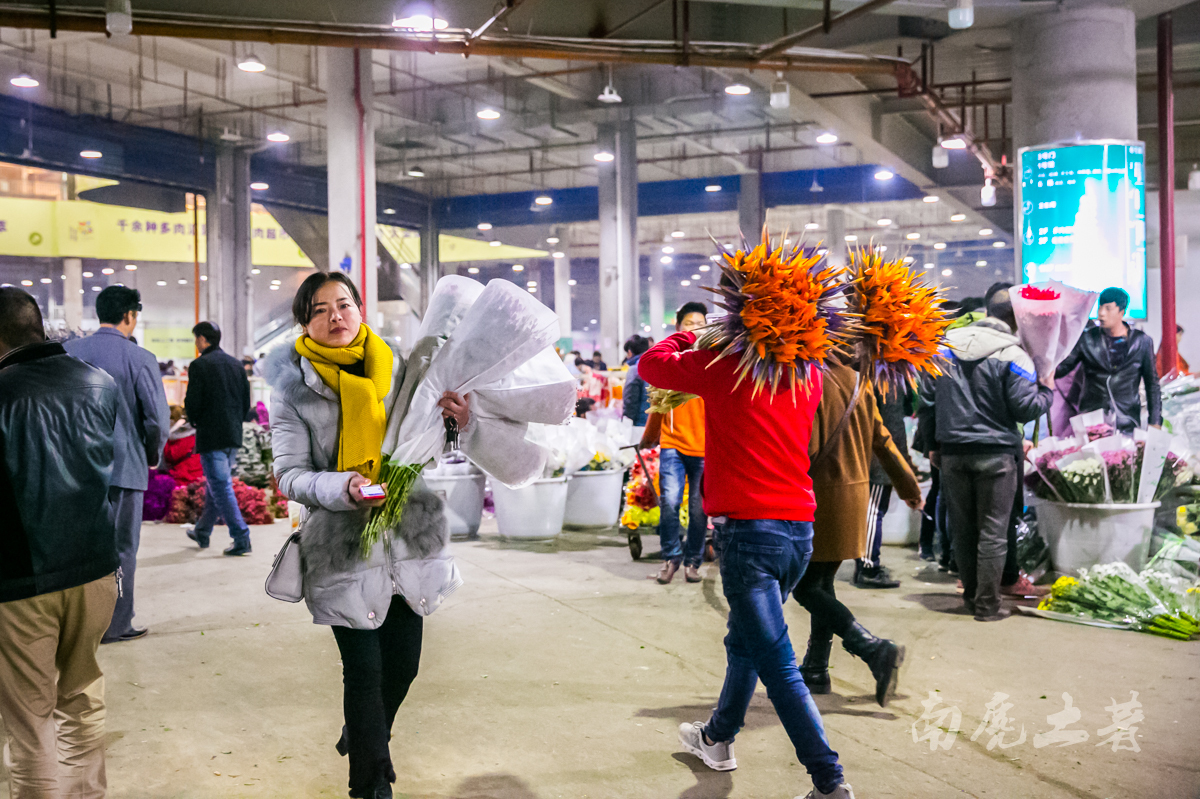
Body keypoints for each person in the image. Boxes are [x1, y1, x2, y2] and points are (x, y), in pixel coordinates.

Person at [266, 271, 469, 799]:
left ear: (360, 309)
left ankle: (364, 734)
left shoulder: (400, 369)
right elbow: (288, 474)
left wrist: (456, 423)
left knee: (404, 666)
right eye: (319, 309)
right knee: (363, 672)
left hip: (408, 537)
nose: (335, 316)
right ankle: (370, 783)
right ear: (304, 323)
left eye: (344, 304)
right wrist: (343, 486)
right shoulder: (292, 390)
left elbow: (429, 446)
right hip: (342, 546)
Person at [641, 331, 855, 799]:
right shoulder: (807, 373)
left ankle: (829, 782)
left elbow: (651, 365)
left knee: (779, 666)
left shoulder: (724, 367)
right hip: (798, 533)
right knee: (745, 643)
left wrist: (694, 334)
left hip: (748, 538)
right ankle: (717, 738)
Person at [0, 287, 121, 796]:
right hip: (96, 570)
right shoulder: (99, 383)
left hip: (22, 580)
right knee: (83, 699)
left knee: (30, 720)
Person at [795, 349, 921, 706]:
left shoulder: (808, 381)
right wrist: (909, 487)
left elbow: (805, 446)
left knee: (805, 587)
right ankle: (816, 668)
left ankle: (873, 649)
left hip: (818, 497)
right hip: (852, 498)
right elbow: (883, 440)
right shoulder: (857, 381)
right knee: (822, 583)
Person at [919, 289, 1054, 621]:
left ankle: (970, 599)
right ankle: (987, 606)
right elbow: (1025, 408)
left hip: (952, 454)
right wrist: (1047, 389)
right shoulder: (1015, 356)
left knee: (963, 530)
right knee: (993, 532)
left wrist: (933, 446)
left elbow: (927, 402)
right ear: (1015, 319)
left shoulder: (941, 350)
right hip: (997, 456)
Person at [65, 285, 169, 644]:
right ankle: (117, 623)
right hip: (125, 469)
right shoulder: (140, 358)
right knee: (122, 550)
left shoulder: (68, 353)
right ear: (130, 315)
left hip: (75, 471)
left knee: (79, 549)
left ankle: (79, 623)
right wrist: (150, 455)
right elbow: (157, 421)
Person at [640, 302, 709, 585]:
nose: (696, 328)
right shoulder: (671, 362)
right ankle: (670, 558)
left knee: (698, 510)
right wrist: (648, 438)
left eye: (701, 324)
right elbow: (657, 404)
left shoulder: (713, 362)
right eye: (690, 324)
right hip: (673, 445)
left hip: (705, 449)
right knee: (669, 502)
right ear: (679, 328)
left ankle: (693, 562)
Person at [183, 321, 254, 555]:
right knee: (217, 484)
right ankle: (202, 531)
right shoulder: (236, 365)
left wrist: (194, 420)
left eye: (196, 339)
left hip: (211, 435)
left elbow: (192, 402)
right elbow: (246, 402)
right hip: (232, 434)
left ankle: (241, 537)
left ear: (203, 339)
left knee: (221, 486)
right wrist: (235, 421)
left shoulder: (199, 365)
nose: (196, 344)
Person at [1054, 287, 1160, 434]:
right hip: (1092, 421)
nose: (1101, 313)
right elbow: (1062, 368)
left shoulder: (1141, 342)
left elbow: (1152, 384)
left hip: (1127, 421)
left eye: (1108, 308)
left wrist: (1155, 422)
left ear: (1121, 312)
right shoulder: (1087, 339)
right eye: (1100, 307)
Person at [853, 385, 914, 589]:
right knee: (873, 510)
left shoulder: (867, 371)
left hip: (860, 451)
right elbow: (893, 424)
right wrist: (902, 463)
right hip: (878, 457)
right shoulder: (887, 377)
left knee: (867, 510)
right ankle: (868, 567)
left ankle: (863, 563)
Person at [163, 405, 204, 486]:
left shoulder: (177, 438)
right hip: (197, 476)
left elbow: (171, 456)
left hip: (182, 478)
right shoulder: (194, 434)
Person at [621, 335, 651, 428]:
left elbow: (630, 402)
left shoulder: (635, 370)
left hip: (640, 424)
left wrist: (626, 424)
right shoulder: (655, 365)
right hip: (654, 424)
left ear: (630, 352)